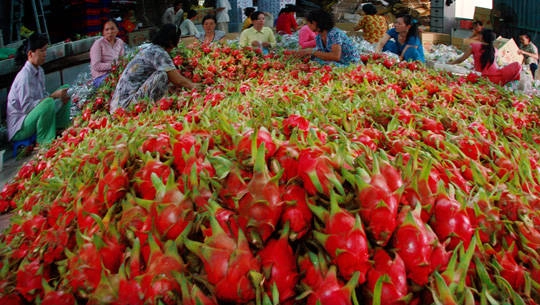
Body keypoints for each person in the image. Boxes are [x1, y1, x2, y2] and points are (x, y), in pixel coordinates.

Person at [110, 24, 200, 113]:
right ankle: (153, 110)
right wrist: (194, 86)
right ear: (171, 41)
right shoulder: (159, 53)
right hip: (125, 106)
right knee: (162, 75)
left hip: (117, 105)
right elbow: (177, 80)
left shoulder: (148, 48)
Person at [7, 33, 71, 145]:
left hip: (33, 116)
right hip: (20, 127)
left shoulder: (39, 70)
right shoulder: (24, 76)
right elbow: (27, 108)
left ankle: (60, 128)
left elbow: (43, 95)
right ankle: (44, 142)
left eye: (46, 50)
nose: (45, 54)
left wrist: (57, 96)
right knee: (48, 102)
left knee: (65, 90)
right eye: (42, 51)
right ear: (30, 54)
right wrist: (52, 96)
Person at [448, 29, 521, 86]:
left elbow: (461, 59)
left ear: (482, 37)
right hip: (497, 78)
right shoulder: (495, 50)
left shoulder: (474, 46)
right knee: (517, 65)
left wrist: (449, 64)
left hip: (483, 78)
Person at [294, 9, 360, 66]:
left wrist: (311, 51)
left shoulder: (334, 34)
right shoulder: (319, 37)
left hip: (350, 64)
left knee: (322, 65)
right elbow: (322, 54)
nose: (307, 25)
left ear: (314, 23)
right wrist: (306, 54)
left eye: (308, 23)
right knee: (314, 61)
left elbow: (336, 56)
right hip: (337, 62)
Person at [90, 19, 125, 87]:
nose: (110, 32)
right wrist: (114, 65)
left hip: (116, 73)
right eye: (107, 29)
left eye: (112, 28)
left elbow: (122, 59)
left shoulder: (120, 42)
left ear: (117, 30)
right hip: (101, 77)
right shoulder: (98, 43)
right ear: (103, 32)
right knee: (119, 84)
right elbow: (96, 65)